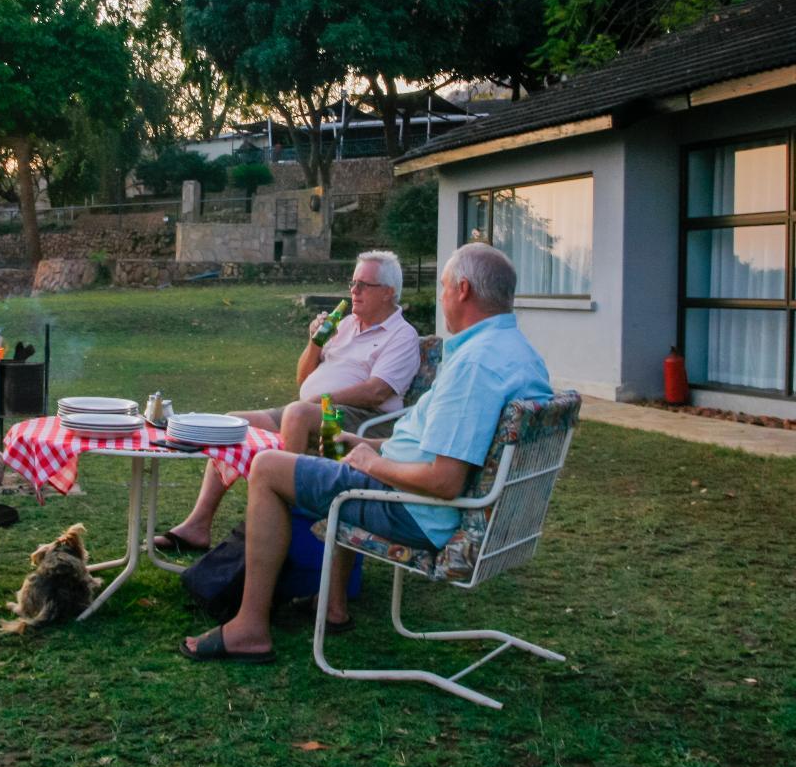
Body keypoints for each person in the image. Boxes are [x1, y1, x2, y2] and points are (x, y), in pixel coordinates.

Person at [179, 242, 552, 662]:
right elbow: (431, 448)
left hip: (415, 510)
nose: (441, 296)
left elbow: (444, 481)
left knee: (268, 467)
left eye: (444, 286)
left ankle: (249, 628)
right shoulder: (520, 355)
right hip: (415, 490)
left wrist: (374, 463)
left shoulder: (474, 365)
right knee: (319, 455)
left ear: (463, 290)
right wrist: (366, 446)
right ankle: (330, 604)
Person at [153, 250, 421, 553]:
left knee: (297, 413)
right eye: (353, 283)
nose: (354, 291)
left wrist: (322, 400)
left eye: (364, 285)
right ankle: (198, 524)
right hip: (312, 410)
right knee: (234, 422)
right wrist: (315, 342)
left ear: (388, 292)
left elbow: (377, 392)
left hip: (362, 420)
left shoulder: (402, 335)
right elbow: (303, 379)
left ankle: (285, 513)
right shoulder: (346, 324)